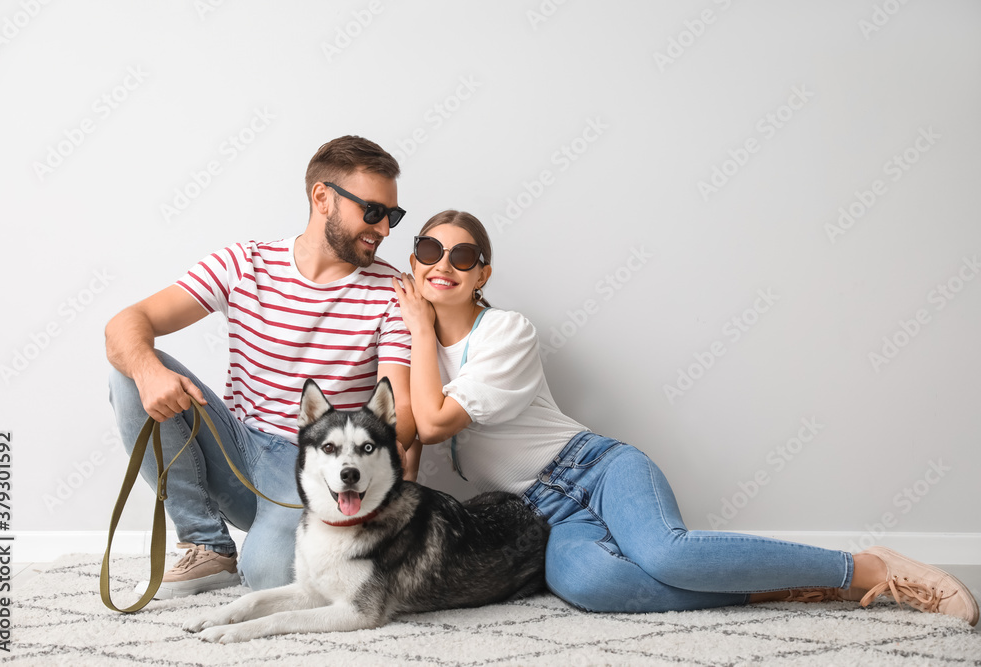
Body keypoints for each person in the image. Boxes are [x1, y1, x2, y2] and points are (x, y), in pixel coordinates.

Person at [390, 209, 979, 626]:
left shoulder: (506, 330)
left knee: (667, 554)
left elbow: (437, 422)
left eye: (462, 255)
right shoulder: (413, 354)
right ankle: (786, 589)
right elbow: (409, 431)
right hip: (543, 513)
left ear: (483, 274)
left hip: (595, 467)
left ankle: (869, 567)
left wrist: (417, 326)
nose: (443, 263)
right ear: (413, 262)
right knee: (592, 587)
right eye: (427, 251)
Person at [105, 135, 419, 599]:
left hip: (318, 465)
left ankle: (274, 538)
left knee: (269, 577)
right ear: (323, 198)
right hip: (237, 447)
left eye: (392, 216)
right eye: (373, 212)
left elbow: (401, 413)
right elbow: (126, 324)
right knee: (131, 369)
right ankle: (207, 543)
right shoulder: (244, 262)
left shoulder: (392, 292)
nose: (384, 229)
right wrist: (149, 371)